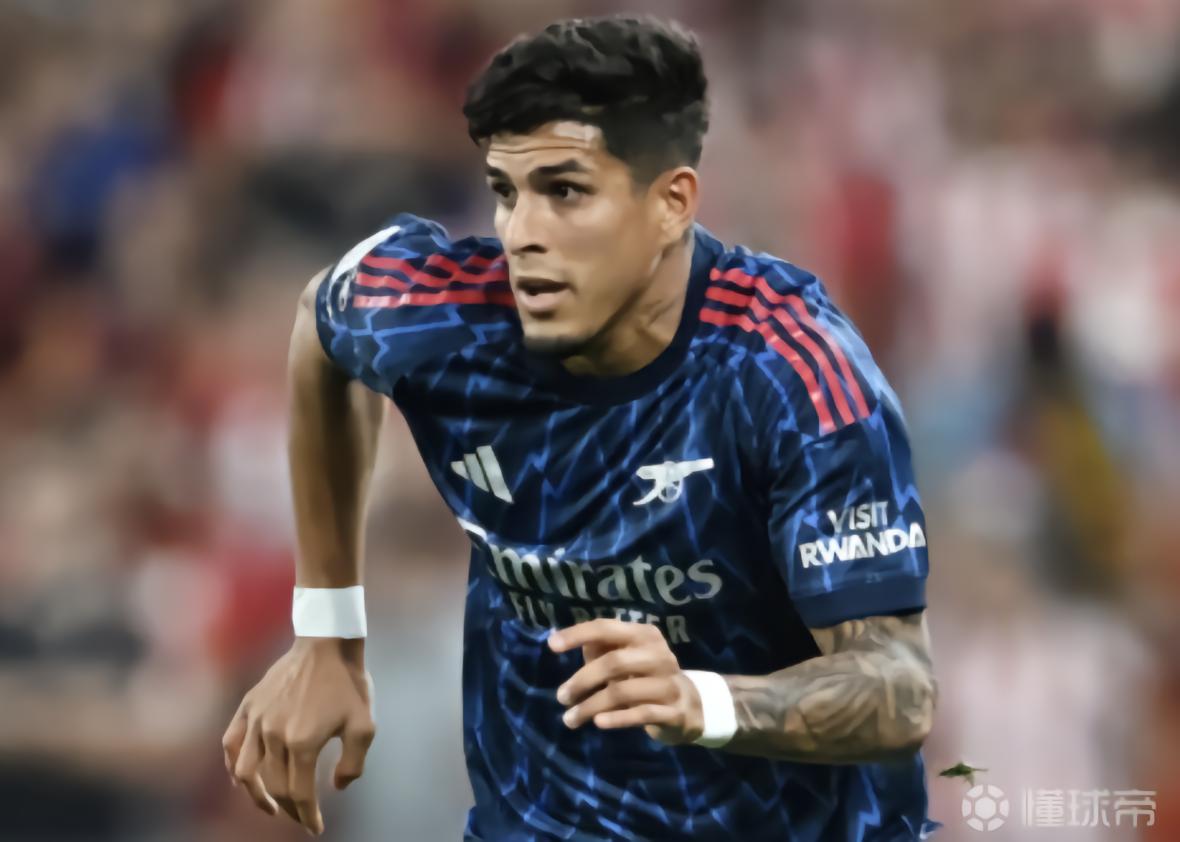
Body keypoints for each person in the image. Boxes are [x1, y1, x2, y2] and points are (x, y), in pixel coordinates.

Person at [221, 15, 940, 841]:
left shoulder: (791, 371)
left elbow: (899, 688)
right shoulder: (450, 314)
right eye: (506, 191)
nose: (521, 233)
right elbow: (321, 324)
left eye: (564, 191)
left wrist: (704, 700)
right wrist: (326, 635)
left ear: (671, 203)